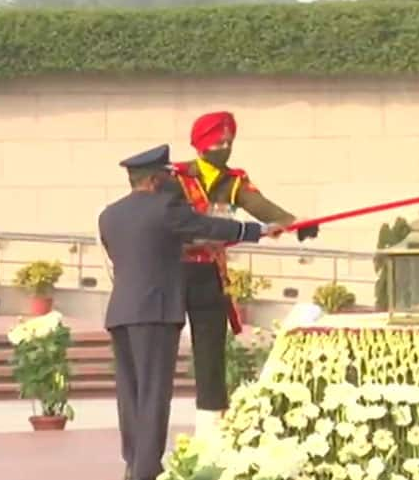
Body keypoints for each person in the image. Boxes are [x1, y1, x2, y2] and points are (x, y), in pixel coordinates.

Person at [97, 144, 282, 480]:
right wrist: (257, 230)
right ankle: (146, 472)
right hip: (156, 311)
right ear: (154, 180)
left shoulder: (109, 214)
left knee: (131, 393)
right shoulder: (164, 207)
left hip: (121, 311)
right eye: (167, 176)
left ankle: (133, 462)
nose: (171, 181)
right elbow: (207, 226)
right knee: (155, 392)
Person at [167, 110, 319, 437]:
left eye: (228, 141)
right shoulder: (176, 177)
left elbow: (261, 207)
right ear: (201, 145)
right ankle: (152, 425)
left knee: (210, 351)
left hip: (209, 272)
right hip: (171, 272)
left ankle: (211, 428)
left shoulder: (233, 180)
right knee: (162, 350)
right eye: (218, 141)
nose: (224, 146)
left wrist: (294, 223)